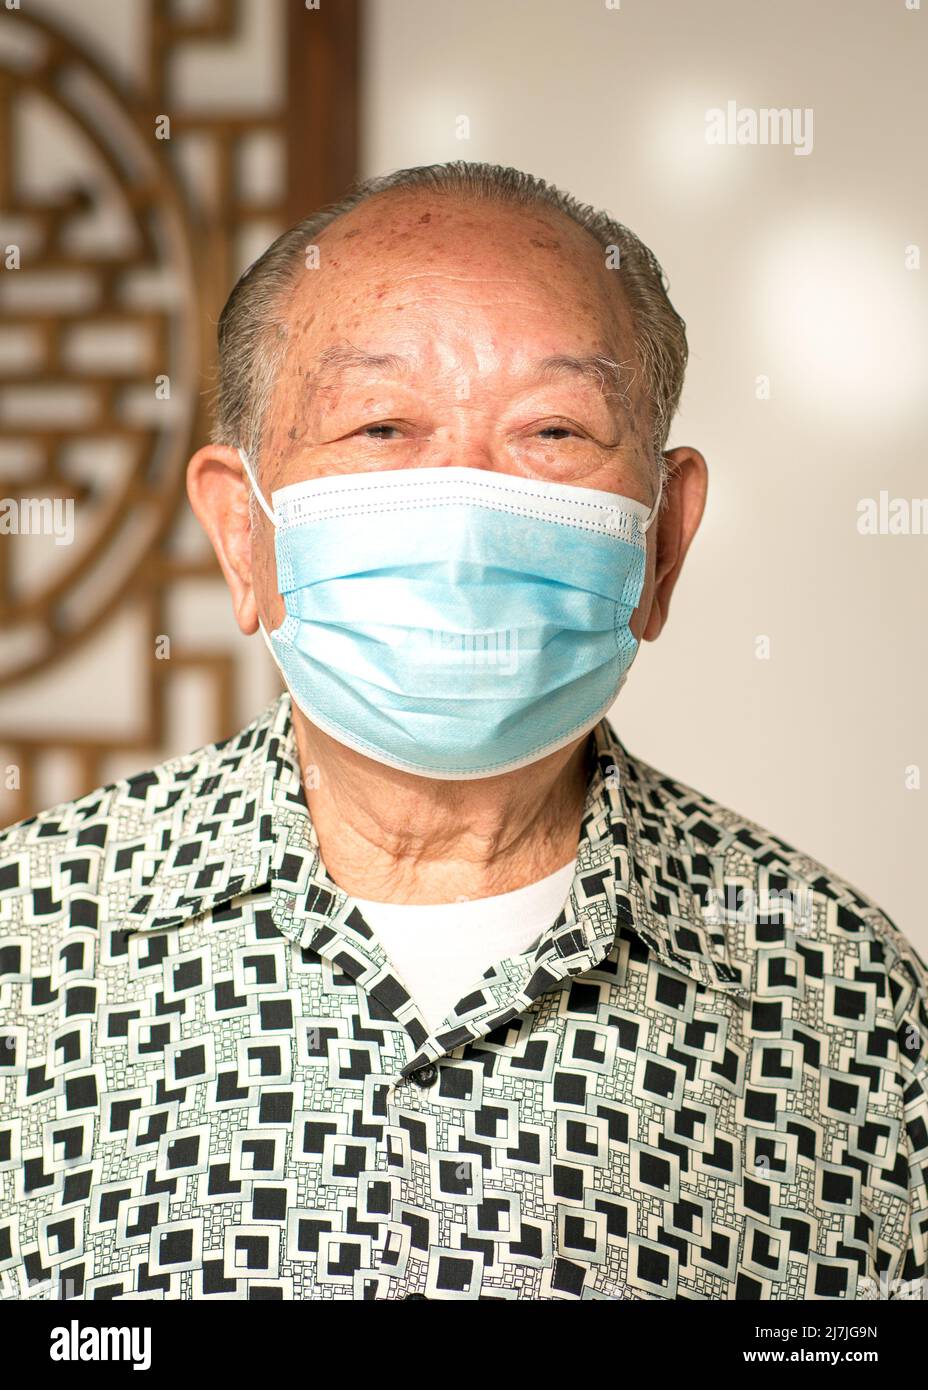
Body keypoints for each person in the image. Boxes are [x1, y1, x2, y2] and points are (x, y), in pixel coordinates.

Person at [1, 162, 925, 1302]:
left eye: (553, 429)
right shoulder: (26, 946)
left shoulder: (843, 994)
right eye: (380, 423)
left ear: (663, 542)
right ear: (244, 534)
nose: (466, 507)